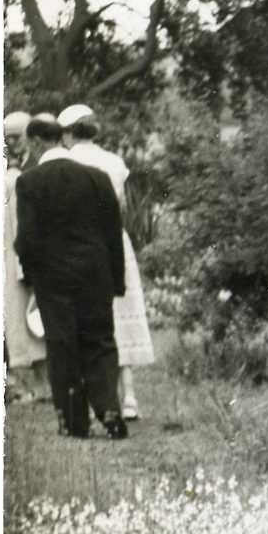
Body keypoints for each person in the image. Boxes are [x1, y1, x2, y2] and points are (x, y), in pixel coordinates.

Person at [14, 113, 127, 439]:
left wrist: (32, 275)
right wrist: (116, 280)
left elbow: (27, 240)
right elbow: (113, 234)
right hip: (96, 274)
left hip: (53, 278)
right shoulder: (97, 178)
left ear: (36, 142)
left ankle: (74, 421)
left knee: (62, 344)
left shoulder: (30, 182)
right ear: (60, 138)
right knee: (100, 340)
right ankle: (109, 411)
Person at [58, 104, 155, 420]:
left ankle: (94, 396)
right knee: (121, 314)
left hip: (80, 244)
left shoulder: (66, 163)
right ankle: (130, 396)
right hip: (114, 242)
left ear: (69, 133)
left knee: (87, 318)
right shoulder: (114, 161)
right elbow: (122, 207)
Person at [3, 110, 48, 400]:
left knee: (34, 320)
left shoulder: (38, 166)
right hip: (7, 250)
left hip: (27, 251)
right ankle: (13, 383)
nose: (11, 143)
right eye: (6, 137)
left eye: (16, 136)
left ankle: (44, 385)